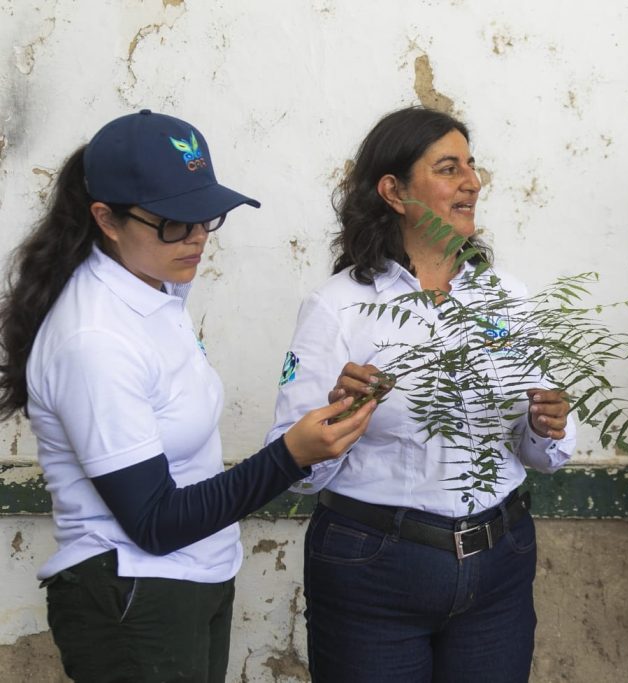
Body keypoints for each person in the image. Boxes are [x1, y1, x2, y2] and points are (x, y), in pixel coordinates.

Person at [0, 110, 376, 682]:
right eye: (175, 222)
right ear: (105, 217)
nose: (198, 236)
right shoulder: (93, 338)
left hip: (192, 578)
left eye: (206, 215)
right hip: (133, 592)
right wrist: (290, 455)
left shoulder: (157, 285)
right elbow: (153, 521)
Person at [265, 106, 577, 682]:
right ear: (393, 190)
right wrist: (337, 417)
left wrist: (546, 425)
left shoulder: (507, 297)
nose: (472, 183)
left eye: (472, 167)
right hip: (374, 568)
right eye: (448, 169)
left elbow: (545, 455)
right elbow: (292, 471)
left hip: (499, 564)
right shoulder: (336, 307)